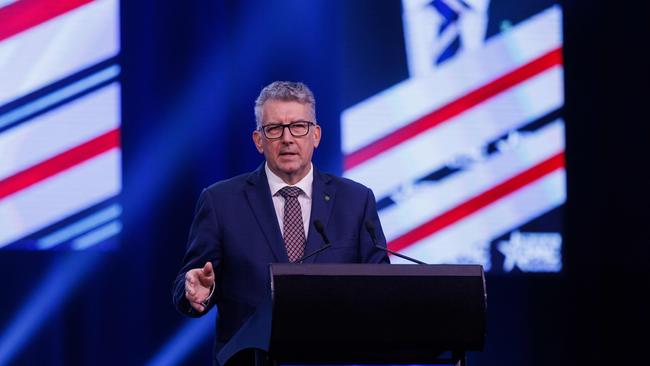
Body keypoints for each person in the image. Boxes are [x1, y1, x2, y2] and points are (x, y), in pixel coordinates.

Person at [172, 81, 389, 365]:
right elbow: (191, 279)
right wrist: (197, 291)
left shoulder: (356, 200)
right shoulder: (221, 201)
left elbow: (382, 288)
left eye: (298, 126)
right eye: (274, 129)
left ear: (316, 135)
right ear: (258, 140)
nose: (287, 138)